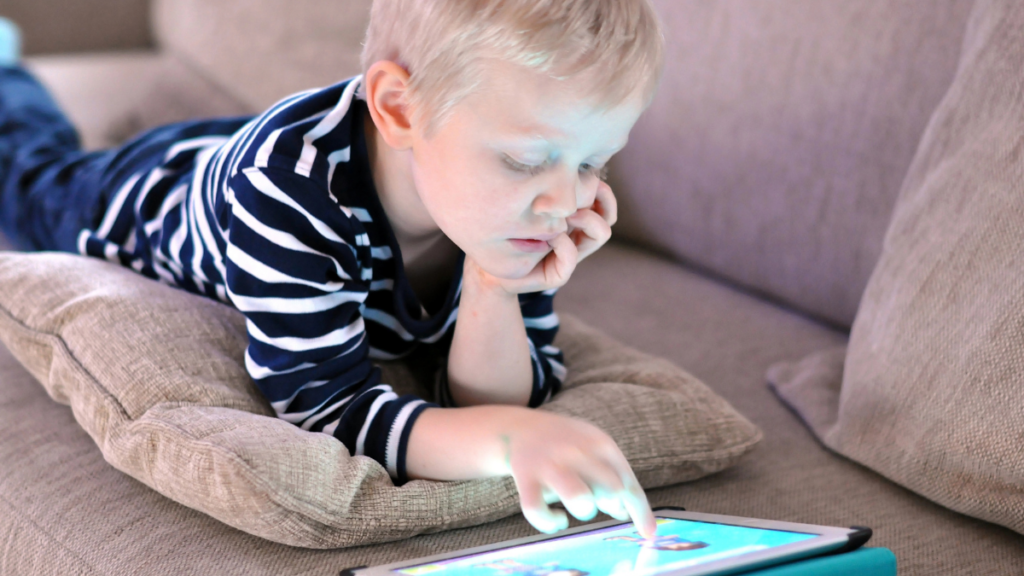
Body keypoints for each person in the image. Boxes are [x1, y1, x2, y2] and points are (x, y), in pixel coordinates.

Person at [0, 0, 665, 538]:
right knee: (27, 174)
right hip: (144, 198)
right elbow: (328, 408)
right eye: (525, 161)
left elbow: (491, 403)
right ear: (400, 109)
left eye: (591, 163)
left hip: (274, 151)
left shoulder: (511, 209)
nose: (566, 204)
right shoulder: (290, 194)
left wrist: (497, 284)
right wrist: (510, 439)